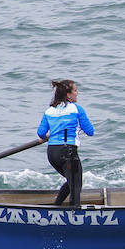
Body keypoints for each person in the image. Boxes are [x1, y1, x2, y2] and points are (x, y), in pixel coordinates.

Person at [37, 79, 95, 208]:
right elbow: (90, 131)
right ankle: (74, 215)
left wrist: (50, 134)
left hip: (52, 153)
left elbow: (41, 133)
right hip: (67, 153)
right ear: (68, 95)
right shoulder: (77, 109)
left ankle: (55, 207)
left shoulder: (49, 111)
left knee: (72, 182)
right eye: (75, 90)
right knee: (76, 186)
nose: (77, 93)